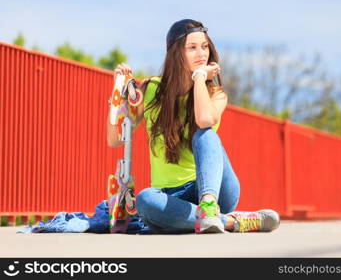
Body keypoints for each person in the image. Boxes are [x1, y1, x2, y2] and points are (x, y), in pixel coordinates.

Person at [107, 19, 280, 234]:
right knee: (145, 200)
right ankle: (232, 222)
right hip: (170, 197)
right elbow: (115, 139)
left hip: (214, 192)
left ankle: (209, 209)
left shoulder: (216, 94)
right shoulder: (151, 89)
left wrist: (199, 78)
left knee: (205, 135)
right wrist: (117, 99)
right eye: (193, 47)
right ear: (176, 53)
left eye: (205, 46)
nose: (202, 54)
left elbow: (204, 120)